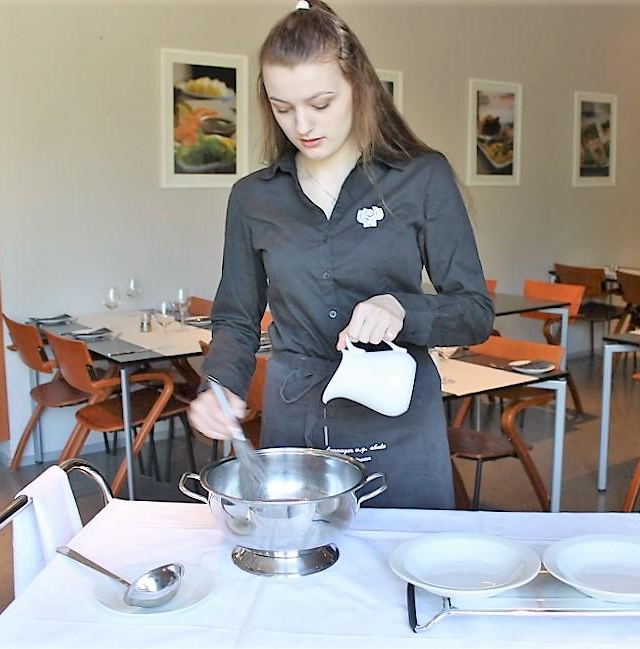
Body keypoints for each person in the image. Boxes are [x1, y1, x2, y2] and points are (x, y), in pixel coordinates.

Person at [188, 0, 493, 509]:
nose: (302, 124)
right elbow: (237, 319)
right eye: (283, 108)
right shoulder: (253, 198)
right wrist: (219, 384)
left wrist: (403, 308)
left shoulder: (421, 178)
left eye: (320, 103)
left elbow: (475, 313)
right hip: (296, 419)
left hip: (397, 420)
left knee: (402, 578)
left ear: (358, 86)